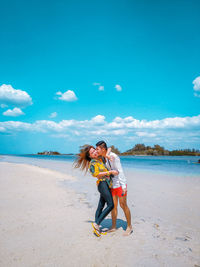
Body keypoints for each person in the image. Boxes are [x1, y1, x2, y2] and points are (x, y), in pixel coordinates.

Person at [74, 145, 118, 236]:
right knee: (111, 205)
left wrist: (107, 155)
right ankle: (97, 224)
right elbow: (96, 174)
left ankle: (96, 228)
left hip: (106, 184)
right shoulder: (92, 163)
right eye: (92, 152)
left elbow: (109, 148)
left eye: (94, 150)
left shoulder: (100, 159)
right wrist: (110, 172)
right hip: (102, 185)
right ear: (90, 156)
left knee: (101, 206)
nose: (95, 152)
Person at [96, 141, 133, 236]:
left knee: (123, 205)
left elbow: (120, 171)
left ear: (103, 149)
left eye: (98, 149)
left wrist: (124, 186)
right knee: (113, 206)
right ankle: (113, 226)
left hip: (120, 185)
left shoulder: (114, 157)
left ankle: (129, 227)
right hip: (112, 185)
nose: (97, 150)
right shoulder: (104, 157)